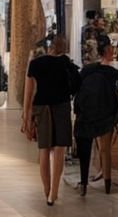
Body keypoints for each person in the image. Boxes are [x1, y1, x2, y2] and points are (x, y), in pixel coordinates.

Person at [21, 35, 78, 206]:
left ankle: (46, 189)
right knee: (59, 148)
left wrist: (26, 117)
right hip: (61, 106)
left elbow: (28, 93)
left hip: (42, 107)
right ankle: (54, 192)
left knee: (44, 148)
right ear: (64, 48)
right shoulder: (67, 63)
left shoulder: (36, 64)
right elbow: (77, 84)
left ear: (50, 47)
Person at [74, 34, 118, 195]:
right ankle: (108, 184)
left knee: (87, 148)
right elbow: (115, 97)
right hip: (105, 115)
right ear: (108, 50)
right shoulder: (113, 73)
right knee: (105, 149)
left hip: (87, 115)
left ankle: (84, 184)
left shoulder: (87, 70)